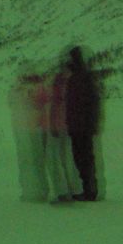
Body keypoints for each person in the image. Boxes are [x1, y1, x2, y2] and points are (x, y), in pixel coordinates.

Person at [64, 46, 103, 201]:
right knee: (82, 158)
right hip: (79, 125)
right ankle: (89, 189)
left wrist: (91, 123)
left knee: (84, 158)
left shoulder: (81, 78)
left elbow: (91, 102)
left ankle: (90, 190)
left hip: (81, 126)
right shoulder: (79, 77)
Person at [8, 64, 49, 202]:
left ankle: (32, 191)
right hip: (35, 127)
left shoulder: (17, 90)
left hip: (25, 129)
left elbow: (11, 103)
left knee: (28, 160)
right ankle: (38, 190)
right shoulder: (39, 88)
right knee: (37, 160)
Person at [45, 64, 78, 204]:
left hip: (60, 127)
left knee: (57, 160)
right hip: (70, 127)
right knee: (68, 159)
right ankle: (72, 190)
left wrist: (52, 125)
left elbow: (53, 109)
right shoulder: (73, 87)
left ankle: (63, 191)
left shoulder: (57, 88)